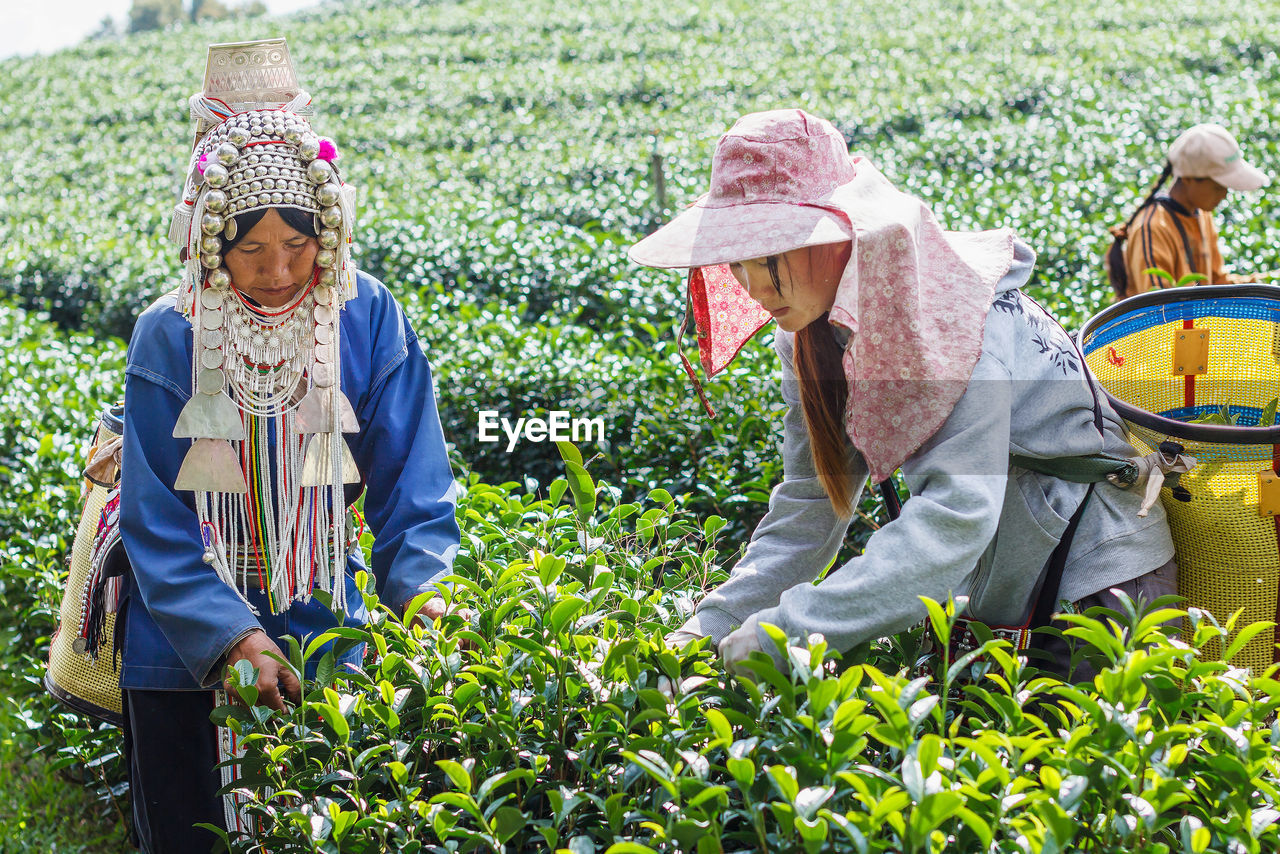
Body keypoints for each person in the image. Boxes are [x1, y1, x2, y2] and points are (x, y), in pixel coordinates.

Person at [628, 109, 1178, 677]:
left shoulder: (953, 318)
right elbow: (812, 505)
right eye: (737, 262)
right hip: (995, 589)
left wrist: (786, 632)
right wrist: (708, 627)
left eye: (772, 255)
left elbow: (958, 514)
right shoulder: (809, 332)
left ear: (843, 232)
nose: (754, 286)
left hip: (1098, 583)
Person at [117, 40, 462, 851]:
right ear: (209, 244)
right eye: (250, 250)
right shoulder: (170, 336)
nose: (277, 271)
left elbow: (413, 474)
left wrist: (424, 592)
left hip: (322, 627)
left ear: (329, 233)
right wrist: (231, 637)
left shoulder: (367, 315)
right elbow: (155, 519)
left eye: (298, 245)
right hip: (179, 653)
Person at [1115, 123, 1270, 298]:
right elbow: (1158, 309)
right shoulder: (1153, 229)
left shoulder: (1201, 214)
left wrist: (1263, 282)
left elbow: (1216, 282)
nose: (1225, 194)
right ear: (1189, 179)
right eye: (1218, 187)